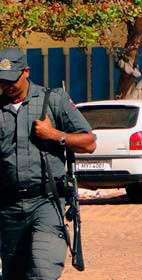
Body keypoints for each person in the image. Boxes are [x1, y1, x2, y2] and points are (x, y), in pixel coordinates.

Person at [0, 47, 97, 280]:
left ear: (26, 71)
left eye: (12, 79)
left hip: (46, 202)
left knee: (42, 272)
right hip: (8, 206)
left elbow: (89, 143)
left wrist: (55, 135)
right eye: (2, 81)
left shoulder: (52, 99)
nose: (7, 85)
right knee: (13, 275)